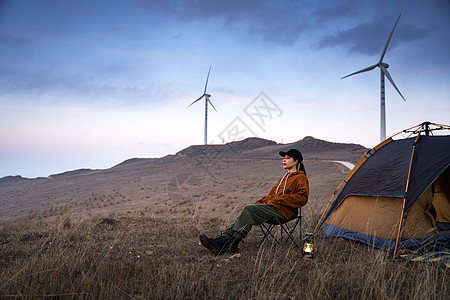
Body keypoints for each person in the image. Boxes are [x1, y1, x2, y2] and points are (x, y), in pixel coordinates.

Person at [199, 148, 309, 255]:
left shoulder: (301, 178)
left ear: (296, 161)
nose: (284, 160)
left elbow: (303, 198)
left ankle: (230, 243)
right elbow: (269, 196)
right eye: (283, 158)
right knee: (248, 211)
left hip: (284, 212)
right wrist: (259, 204)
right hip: (273, 208)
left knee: (248, 210)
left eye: (288, 158)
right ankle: (224, 240)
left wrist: (279, 199)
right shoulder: (283, 178)